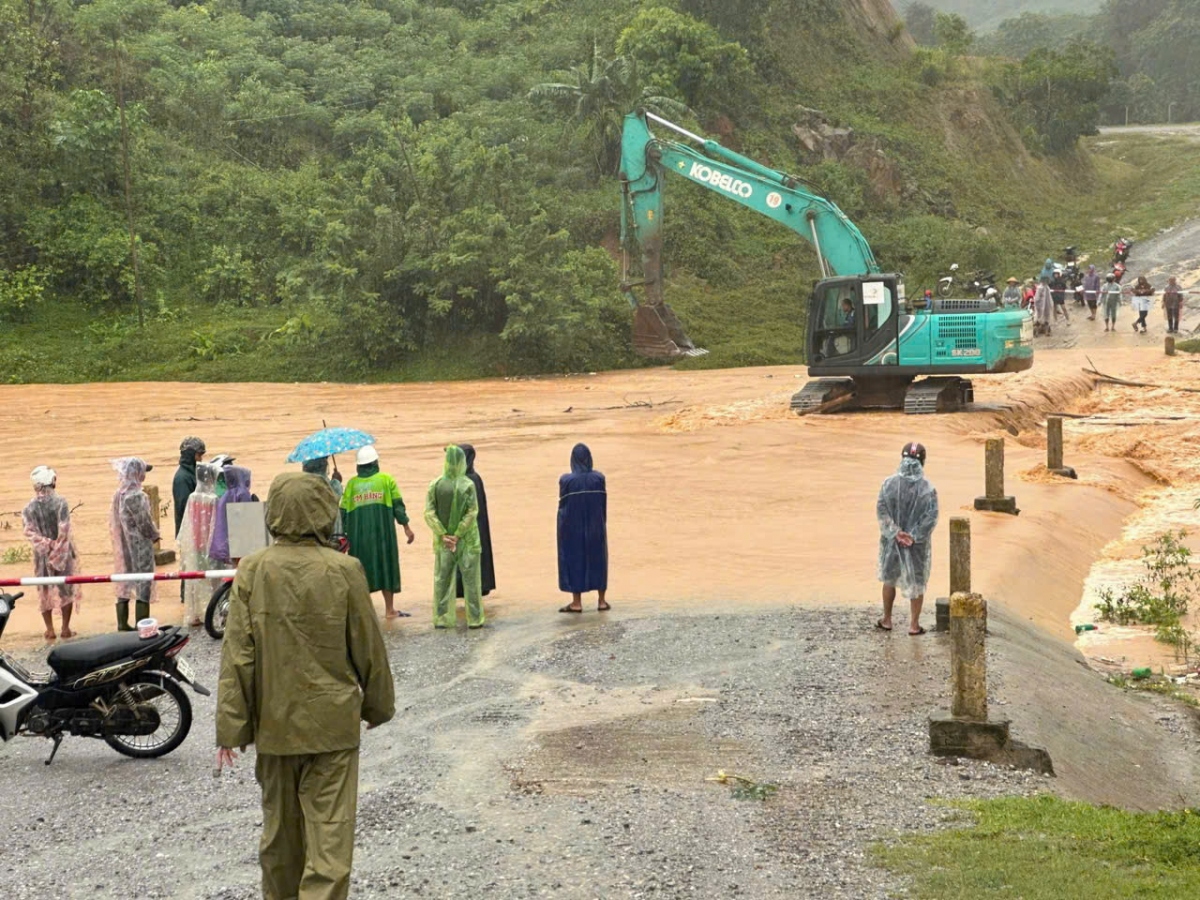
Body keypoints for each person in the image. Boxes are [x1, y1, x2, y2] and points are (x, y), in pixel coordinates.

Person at [215, 473, 394, 900]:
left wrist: (232, 728)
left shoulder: (253, 571)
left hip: (274, 729)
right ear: (324, 513)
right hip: (333, 729)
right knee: (329, 845)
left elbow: (237, 655)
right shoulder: (346, 571)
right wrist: (377, 706)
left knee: (280, 841)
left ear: (273, 513)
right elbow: (368, 647)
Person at [340, 445, 415, 619]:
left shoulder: (351, 484)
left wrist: (342, 536)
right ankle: (389, 610)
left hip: (359, 537)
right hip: (383, 535)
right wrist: (406, 528)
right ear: (375, 462)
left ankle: (365, 612)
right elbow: (398, 506)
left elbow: (342, 513)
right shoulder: (386, 480)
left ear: (359, 465)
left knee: (361, 570)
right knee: (386, 566)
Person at [875, 443, 939, 636]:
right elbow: (931, 517)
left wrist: (895, 533)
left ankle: (886, 619)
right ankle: (914, 625)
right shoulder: (928, 489)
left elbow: (881, 510)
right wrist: (913, 536)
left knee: (889, 578)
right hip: (916, 545)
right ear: (923, 461)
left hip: (892, 542)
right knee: (917, 582)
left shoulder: (888, 484)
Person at [425, 445, 484, 629]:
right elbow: (472, 512)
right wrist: (458, 535)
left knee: (442, 580)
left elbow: (429, 512)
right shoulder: (468, 485)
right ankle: (474, 619)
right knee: (472, 581)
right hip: (467, 541)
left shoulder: (435, 485)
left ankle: (441, 618)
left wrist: (443, 534)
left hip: (444, 543)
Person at [22, 466, 80, 641]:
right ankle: (65, 628)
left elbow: (29, 532)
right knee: (66, 588)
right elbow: (64, 529)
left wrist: (46, 546)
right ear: (52, 481)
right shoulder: (61, 502)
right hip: (62, 551)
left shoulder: (29, 507)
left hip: (42, 555)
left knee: (44, 590)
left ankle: (49, 630)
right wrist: (58, 548)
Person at [557, 443, 609, 613]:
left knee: (574, 561)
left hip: (573, 528)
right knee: (598, 560)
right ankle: (601, 601)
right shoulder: (599, 478)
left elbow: (563, 506)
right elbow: (603, 504)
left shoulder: (566, 480)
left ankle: (576, 603)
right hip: (596, 526)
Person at [109, 457, 159, 632]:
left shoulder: (119, 494)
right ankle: (142, 626)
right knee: (143, 583)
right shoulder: (137, 495)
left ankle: (122, 624)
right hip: (139, 545)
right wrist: (155, 536)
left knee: (124, 580)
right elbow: (144, 522)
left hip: (123, 545)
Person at [178, 462, 221, 627]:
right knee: (213, 581)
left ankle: (196, 614)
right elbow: (217, 524)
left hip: (195, 545)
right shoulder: (213, 500)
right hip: (210, 547)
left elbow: (186, 524)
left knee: (197, 579)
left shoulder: (192, 497)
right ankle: (211, 613)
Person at [455, 444, 496, 600]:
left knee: (466, 564)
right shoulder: (474, 477)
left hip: (469, 529)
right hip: (474, 528)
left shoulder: (467, 479)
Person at [209, 465, 257, 565]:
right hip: (240, 543)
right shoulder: (243, 493)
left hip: (227, 541)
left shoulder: (226, 494)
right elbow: (247, 520)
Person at [173, 437, 206, 536]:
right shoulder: (182, 478)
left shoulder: (193, 474)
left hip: (196, 530)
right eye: (199, 455)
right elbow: (185, 506)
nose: (201, 459)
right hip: (188, 533)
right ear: (191, 455)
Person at [302, 456, 344, 533]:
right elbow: (335, 495)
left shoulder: (303, 486)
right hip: (332, 535)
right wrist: (337, 481)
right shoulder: (328, 485)